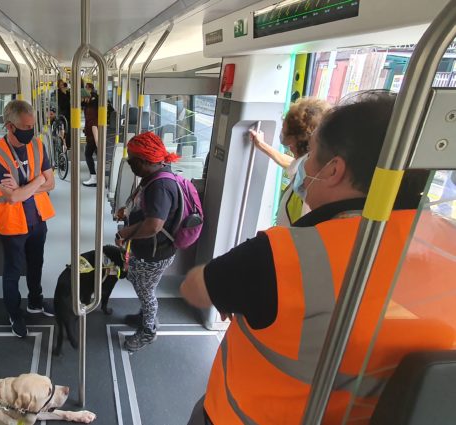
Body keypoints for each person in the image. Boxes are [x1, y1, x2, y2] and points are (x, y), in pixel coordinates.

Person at [180, 92, 455, 424]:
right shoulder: (447, 243)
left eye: (310, 154)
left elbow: (195, 288)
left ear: (334, 170)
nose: (303, 166)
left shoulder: (282, 254)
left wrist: (235, 289)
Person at [0, 100, 56, 338]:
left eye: (32, 125)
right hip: (13, 224)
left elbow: (52, 183)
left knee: (37, 264)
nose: (30, 131)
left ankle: (36, 301)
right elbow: (13, 198)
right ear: (10, 127)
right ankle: (14, 313)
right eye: (25, 126)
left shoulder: (37, 145)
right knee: (13, 271)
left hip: (37, 218)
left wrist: (26, 187)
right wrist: (37, 181)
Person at [114, 132, 181, 352]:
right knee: (140, 282)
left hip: (155, 251)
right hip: (151, 248)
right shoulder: (156, 175)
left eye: (131, 160)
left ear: (144, 161)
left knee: (145, 290)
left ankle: (148, 330)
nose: (129, 164)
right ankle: (145, 315)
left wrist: (126, 234)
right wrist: (127, 211)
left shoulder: (160, 187)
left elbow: (153, 225)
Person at [249, 97, 330, 226]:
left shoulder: (304, 189)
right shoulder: (311, 169)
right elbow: (292, 164)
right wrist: (262, 145)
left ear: (292, 141)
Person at [82, 82, 100, 187]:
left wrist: (97, 139)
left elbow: (93, 123)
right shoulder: (92, 103)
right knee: (97, 154)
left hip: (93, 133)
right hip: (92, 133)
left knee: (88, 154)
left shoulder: (92, 106)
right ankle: (96, 176)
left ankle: (94, 177)